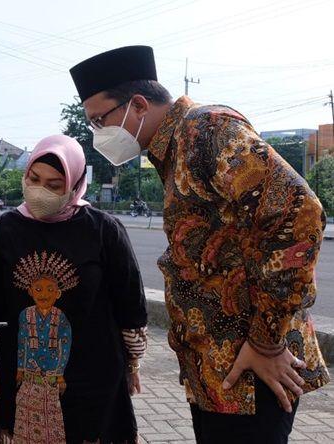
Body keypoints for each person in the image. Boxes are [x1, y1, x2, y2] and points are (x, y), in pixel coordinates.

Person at [69, 45, 330, 443]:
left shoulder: (206, 130)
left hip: (253, 366)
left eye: (99, 120)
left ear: (138, 105)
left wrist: (265, 339)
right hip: (217, 370)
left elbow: (299, 213)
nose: (98, 134)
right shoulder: (172, 150)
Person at [0, 134, 148, 443]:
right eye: (34, 179)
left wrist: (133, 363)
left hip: (94, 379)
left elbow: (130, 305)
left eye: (54, 185)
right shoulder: (7, 228)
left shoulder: (103, 229)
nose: (40, 191)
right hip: (21, 378)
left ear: (76, 185)